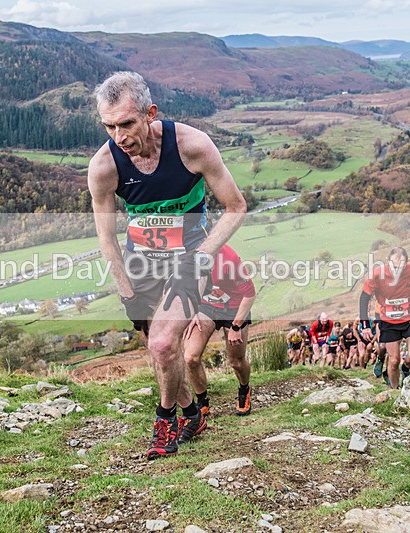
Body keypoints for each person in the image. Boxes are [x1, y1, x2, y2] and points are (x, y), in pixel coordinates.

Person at [88, 72, 246, 459]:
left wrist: (201, 257)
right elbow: (107, 238)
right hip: (141, 266)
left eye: (126, 124)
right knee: (162, 353)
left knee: (161, 342)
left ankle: (165, 423)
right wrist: (126, 293)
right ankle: (193, 413)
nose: (119, 137)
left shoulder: (193, 146)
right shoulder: (104, 166)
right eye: (109, 126)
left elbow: (235, 208)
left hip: (190, 257)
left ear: (150, 114)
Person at [183, 244, 256, 417]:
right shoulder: (186, 255)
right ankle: (202, 403)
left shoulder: (229, 259)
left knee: (236, 361)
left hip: (234, 308)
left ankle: (244, 390)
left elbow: (250, 294)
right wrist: (191, 311)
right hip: (205, 307)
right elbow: (182, 287)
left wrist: (236, 326)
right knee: (190, 358)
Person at [359, 247, 410, 389]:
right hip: (388, 320)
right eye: (394, 266)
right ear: (387, 262)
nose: (397, 270)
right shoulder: (377, 274)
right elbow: (364, 297)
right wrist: (365, 325)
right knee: (393, 360)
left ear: (407, 262)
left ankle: (405, 368)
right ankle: (395, 391)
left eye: (401, 266)